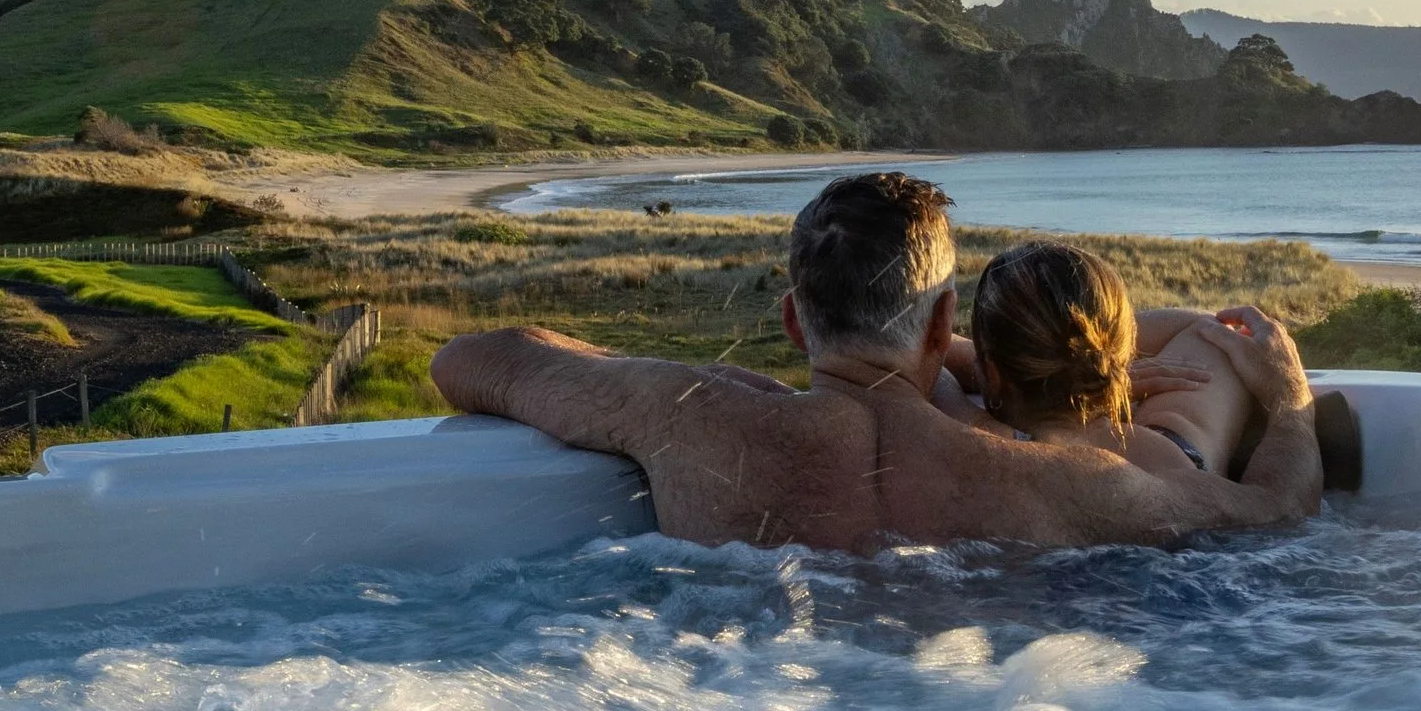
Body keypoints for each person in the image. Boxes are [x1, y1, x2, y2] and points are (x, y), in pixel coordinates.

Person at [429, 171, 1323, 552]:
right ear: (943, 325)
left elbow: (473, 359)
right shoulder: (1065, 483)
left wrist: (663, 377)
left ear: (793, 319)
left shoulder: (686, 412)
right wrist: (1289, 404)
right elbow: (1275, 512)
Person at [942, 240, 1259, 479]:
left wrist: (1044, 362)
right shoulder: (1175, 460)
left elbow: (931, 352)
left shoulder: (976, 438)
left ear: (992, 374)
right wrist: (1091, 370)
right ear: (1121, 349)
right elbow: (1209, 328)